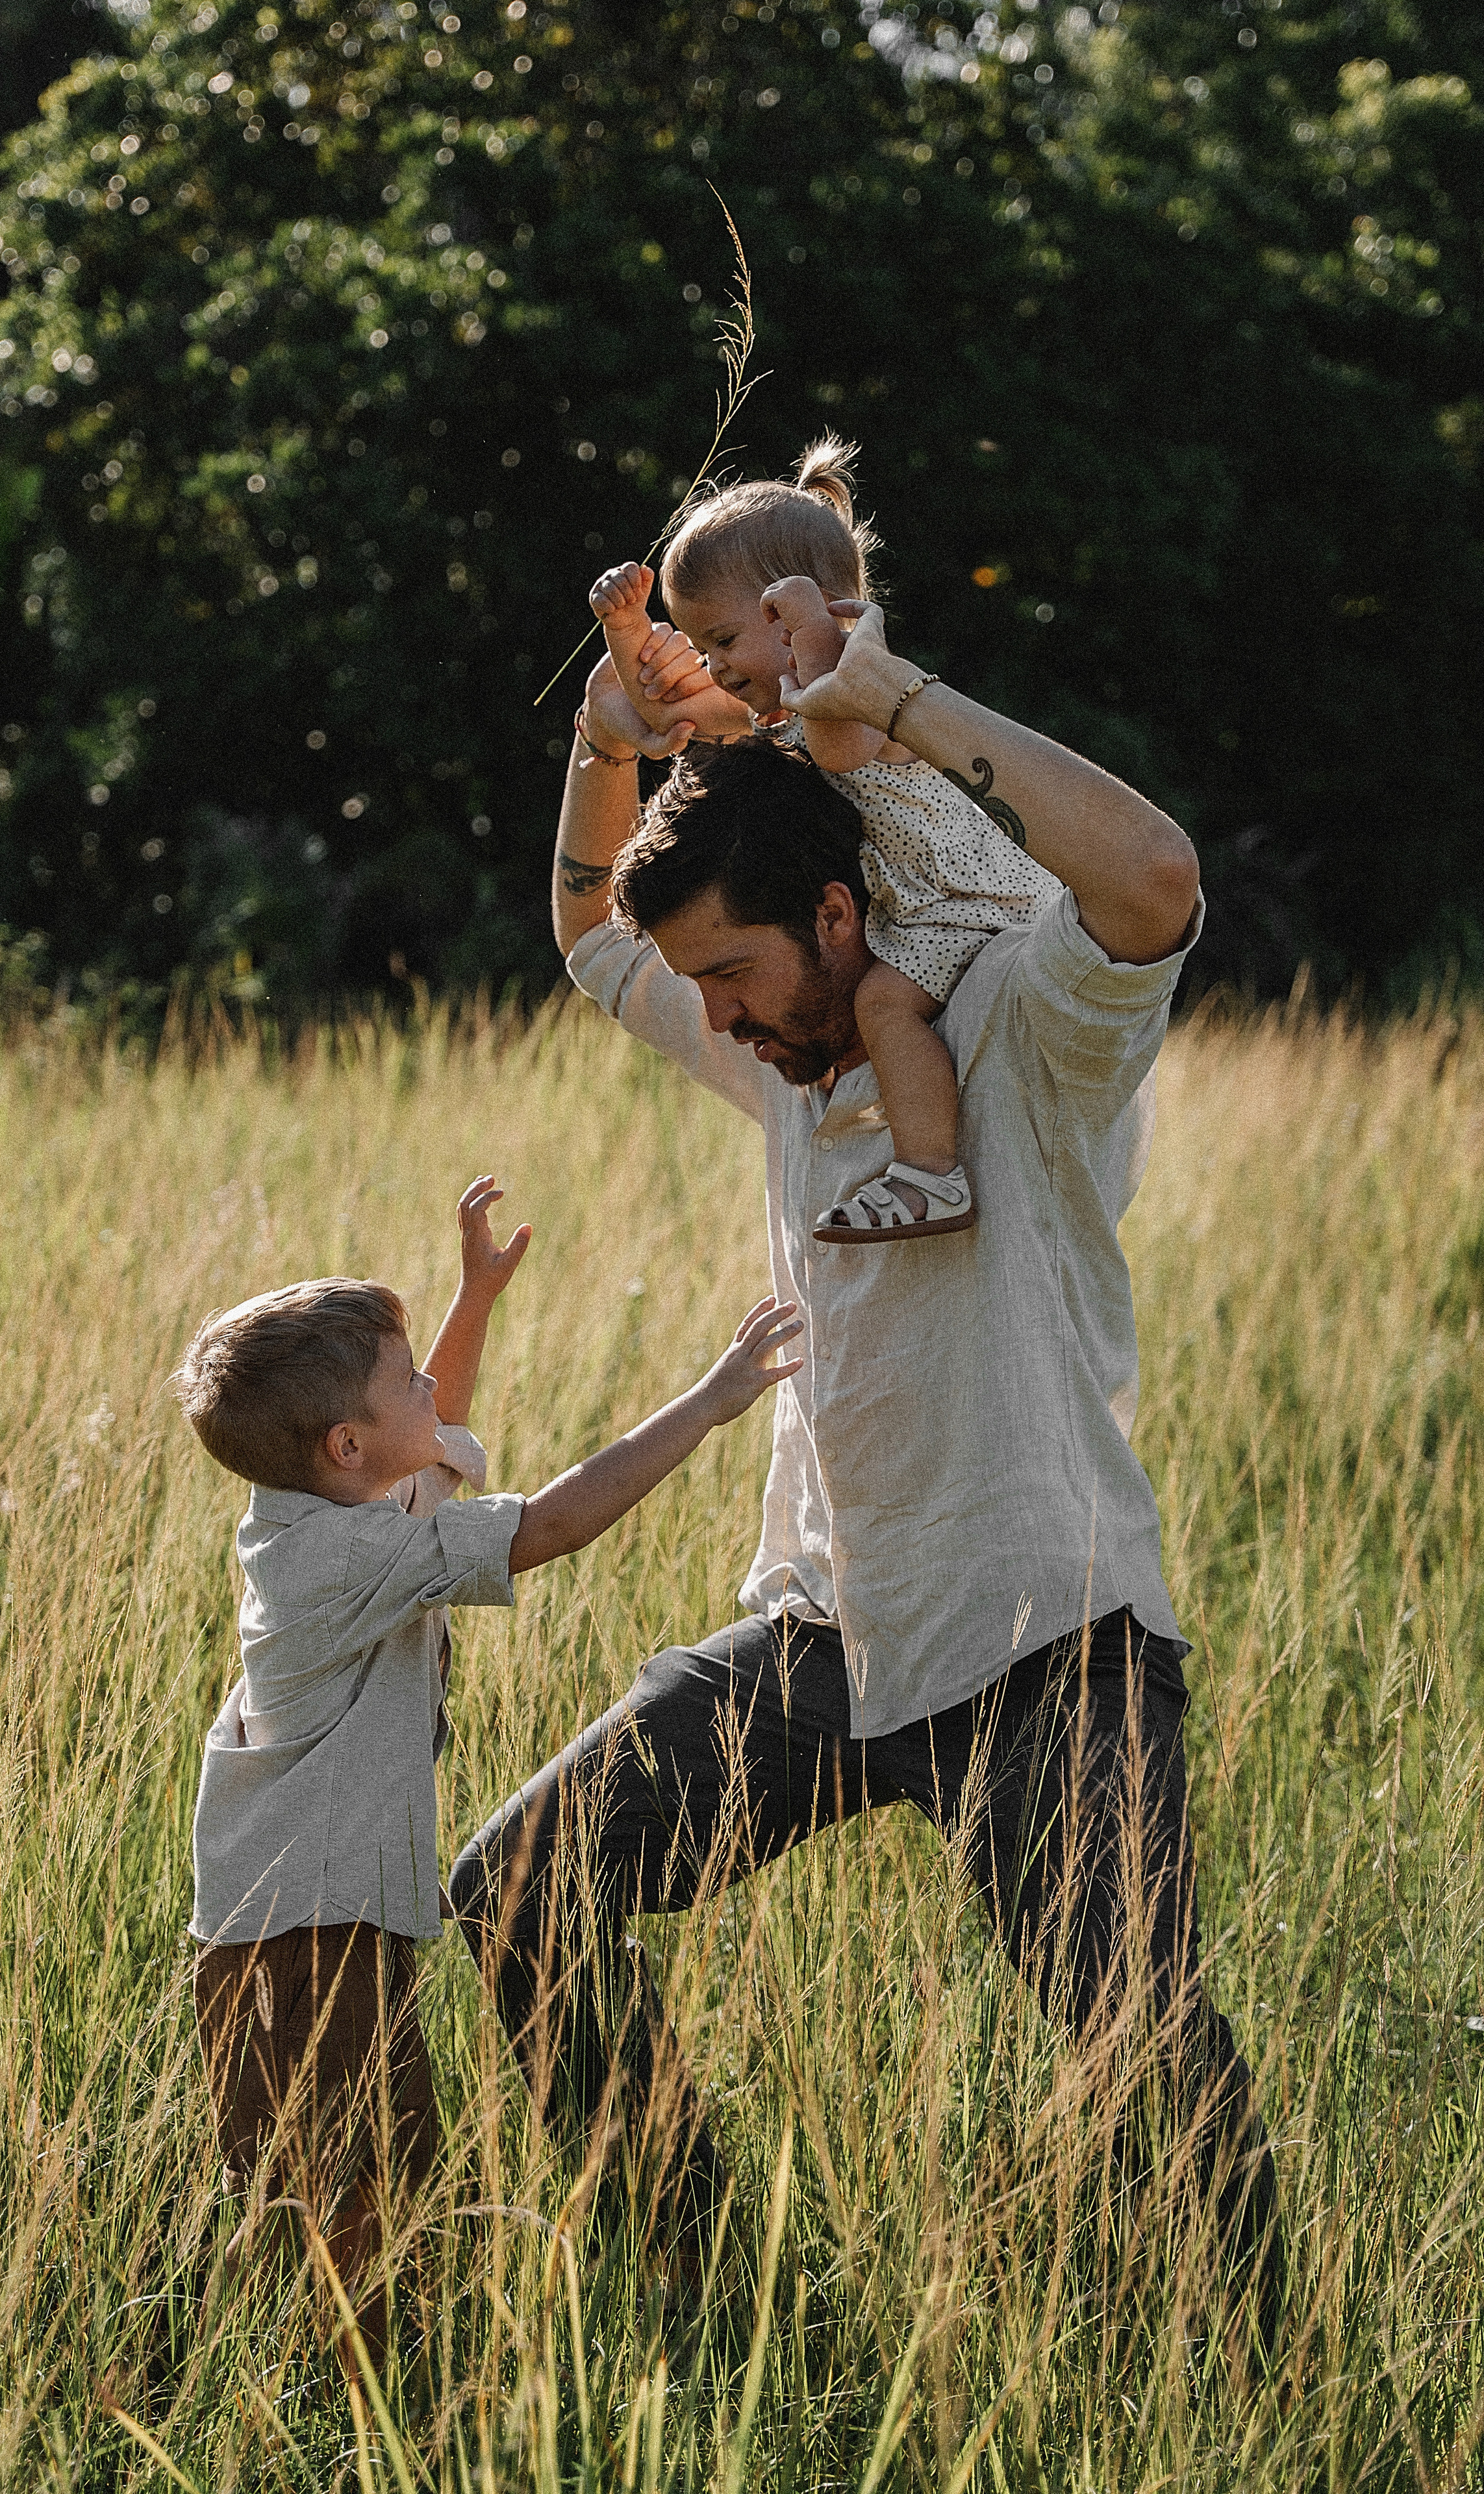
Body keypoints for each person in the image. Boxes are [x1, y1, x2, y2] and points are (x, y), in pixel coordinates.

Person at [449, 596, 1285, 2347]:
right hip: (824, 1641)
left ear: (837, 915)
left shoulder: (1017, 1033)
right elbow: (591, 932)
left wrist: (883, 697)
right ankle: (738, 2321)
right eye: (706, 998)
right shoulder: (780, 1065)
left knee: (1144, 2044)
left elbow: (1152, 880)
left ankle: (1276, 2384)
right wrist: (611, 736)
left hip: (1042, 1637)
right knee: (516, 1891)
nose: (722, 1025)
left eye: (739, 978)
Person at [174, 1174, 802, 2372]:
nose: (432, 1393)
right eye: (406, 1380)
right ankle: (393, 2410)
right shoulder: (343, 1559)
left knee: (359, 2189)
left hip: (304, 1926)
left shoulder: (321, 1504)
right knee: (357, 2207)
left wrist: (471, 1299)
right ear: (346, 1443)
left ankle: (385, 2393)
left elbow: (416, 1444)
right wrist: (711, 1403)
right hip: (306, 1944)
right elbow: (552, 1523)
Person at [587, 439, 1061, 1243]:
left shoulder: (856, 687)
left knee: (882, 1003)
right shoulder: (789, 703)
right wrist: (623, 629)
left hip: (966, 900)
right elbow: (671, 713)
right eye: (699, 644)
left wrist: (816, 637)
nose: (712, 665)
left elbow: (839, 750)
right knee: (881, 998)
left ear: (792, 611)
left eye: (726, 640)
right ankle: (926, 1170)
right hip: (920, 897)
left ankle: (931, 1176)